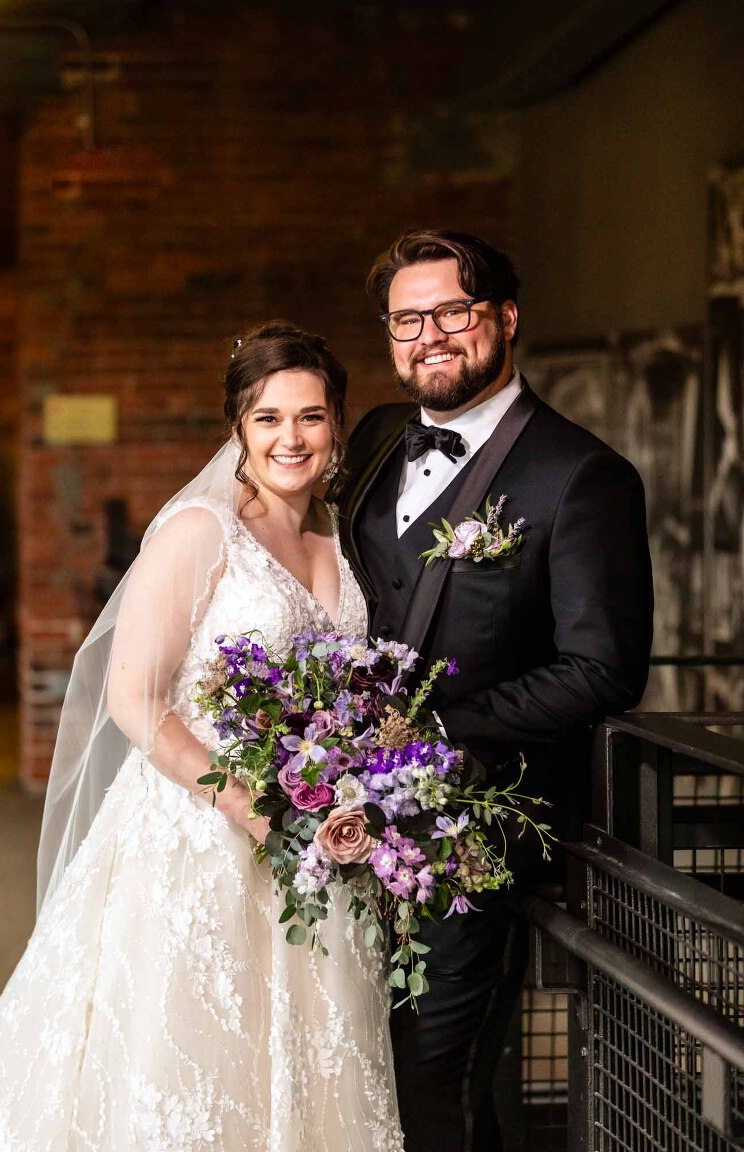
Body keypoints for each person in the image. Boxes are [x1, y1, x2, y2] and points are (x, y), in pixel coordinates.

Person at [0, 322, 405, 1152]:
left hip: (319, 841)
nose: (292, 438)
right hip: (198, 835)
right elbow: (134, 698)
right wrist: (245, 803)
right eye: (269, 418)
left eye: (312, 417)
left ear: (337, 427)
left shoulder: (342, 539)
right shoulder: (200, 532)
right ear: (238, 427)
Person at [338, 229, 654, 1152]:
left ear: (505, 318)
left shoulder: (582, 476)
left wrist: (431, 730)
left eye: (453, 311)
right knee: (346, 1052)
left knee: (435, 1070)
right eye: (407, 319)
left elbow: (603, 670)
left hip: (470, 833)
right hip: (338, 822)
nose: (429, 335)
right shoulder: (373, 441)